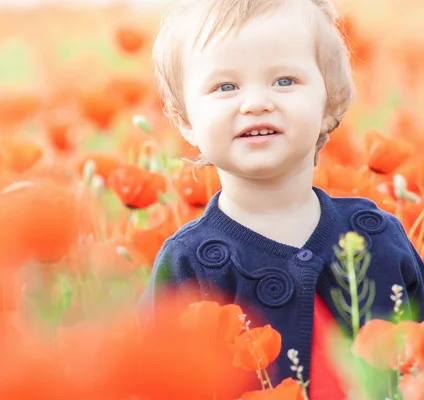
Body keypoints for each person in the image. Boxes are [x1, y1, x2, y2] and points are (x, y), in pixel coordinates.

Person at [138, 0, 424, 398]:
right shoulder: (189, 263)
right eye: (226, 86)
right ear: (185, 120)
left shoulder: (380, 240)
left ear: (331, 102)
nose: (256, 102)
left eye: (285, 80)